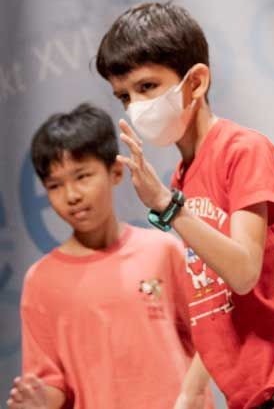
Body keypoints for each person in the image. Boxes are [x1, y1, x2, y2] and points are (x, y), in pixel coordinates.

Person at [95, 2, 274, 409]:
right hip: (251, 389)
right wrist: (191, 389)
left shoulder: (241, 150)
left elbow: (243, 272)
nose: (135, 107)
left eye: (146, 88)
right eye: (123, 96)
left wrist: (168, 207)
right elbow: (215, 301)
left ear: (196, 82)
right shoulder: (182, 177)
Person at [8, 103, 211, 409]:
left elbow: (210, 336)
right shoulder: (41, 280)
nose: (72, 195)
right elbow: (49, 381)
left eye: (82, 176)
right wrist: (37, 402)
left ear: (116, 172)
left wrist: (192, 394)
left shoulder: (162, 250)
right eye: (55, 185)